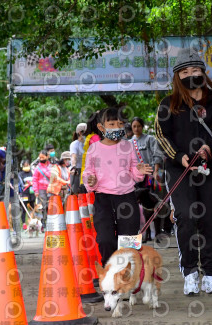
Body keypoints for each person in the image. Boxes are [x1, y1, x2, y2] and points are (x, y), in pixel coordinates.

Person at [156, 48, 212, 295]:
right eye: (184, 72)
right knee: (186, 217)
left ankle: (210, 274)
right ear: (177, 77)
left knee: (210, 220)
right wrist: (179, 156)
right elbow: (161, 136)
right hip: (180, 170)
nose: (190, 75)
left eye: (195, 70)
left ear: (203, 72)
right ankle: (190, 272)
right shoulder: (168, 104)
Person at [83, 107, 152, 267]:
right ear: (101, 127)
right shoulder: (94, 149)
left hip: (127, 198)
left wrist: (139, 171)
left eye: (120, 124)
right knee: (105, 239)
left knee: (128, 240)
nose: (117, 127)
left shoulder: (128, 146)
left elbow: (135, 171)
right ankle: (109, 271)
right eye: (112, 124)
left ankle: (128, 272)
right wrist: (90, 181)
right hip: (103, 200)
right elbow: (88, 172)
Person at [130, 116, 170, 240]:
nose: (136, 128)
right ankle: (144, 232)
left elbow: (157, 155)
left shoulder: (150, 139)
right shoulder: (129, 143)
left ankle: (159, 231)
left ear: (142, 127)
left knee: (156, 202)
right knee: (140, 205)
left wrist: (156, 172)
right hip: (137, 178)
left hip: (152, 176)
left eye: (138, 126)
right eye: (134, 126)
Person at [32, 150, 51, 224]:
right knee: (41, 207)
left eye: (43, 157)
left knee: (49, 206)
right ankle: (41, 223)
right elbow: (34, 180)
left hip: (50, 189)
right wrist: (36, 190)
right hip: (41, 189)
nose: (41, 159)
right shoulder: (37, 168)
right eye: (40, 157)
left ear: (47, 157)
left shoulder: (51, 166)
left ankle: (49, 221)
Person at [69, 123, 87, 195]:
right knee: (77, 192)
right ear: (80, 133)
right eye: (86, 132)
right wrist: (74, 167)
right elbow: (74, 157)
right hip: (78, 170)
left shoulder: (87, 143)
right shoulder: (74, 144)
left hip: (86, 169)